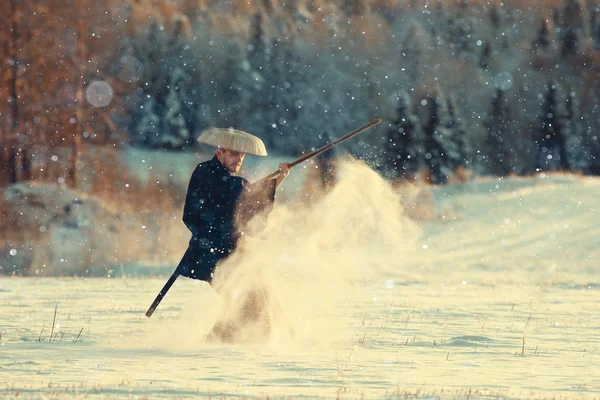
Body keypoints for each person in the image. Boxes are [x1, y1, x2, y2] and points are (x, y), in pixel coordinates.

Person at [176, 127, 290, 284]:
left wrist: (280, 176)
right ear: (219, 153)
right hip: (217, 255)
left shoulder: (222, 178)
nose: (239, 159)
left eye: (242, 155)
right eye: (234, 153)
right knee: (254, 302)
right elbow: (249, 198)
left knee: (256, 300)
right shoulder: (217, 177)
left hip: (216, 253)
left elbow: (249, 199)